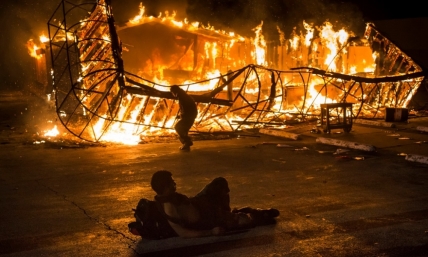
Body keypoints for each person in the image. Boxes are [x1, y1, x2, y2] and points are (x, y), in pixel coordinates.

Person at [150, 170, 280, 238]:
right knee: (243, 220)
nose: (174, 184)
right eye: (171, 182)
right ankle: (257, 215)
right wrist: (211, 232)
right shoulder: (169, 209)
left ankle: (227, 213)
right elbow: (183, 233)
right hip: (207, 218)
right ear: (166, 187)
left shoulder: (170, 196)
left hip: (201, 203)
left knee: (219, 182)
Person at [170, 85, 198, 150]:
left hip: (188, 116)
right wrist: (180, 116)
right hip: (190, 116)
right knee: (184, 130)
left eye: (172, 92)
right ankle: (186, 145)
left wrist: (183, 116)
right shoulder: (183, 96)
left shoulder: (182, 97)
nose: (172, 94)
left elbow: (186, 109)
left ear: (174, 91)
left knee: (178, 127)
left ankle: (187, 142)